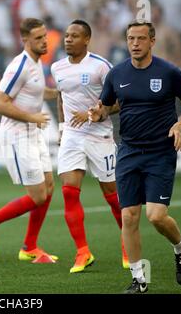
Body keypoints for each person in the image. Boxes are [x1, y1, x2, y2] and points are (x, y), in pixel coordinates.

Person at [88, 20, 181, 293]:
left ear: (152, 41)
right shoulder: (117, 74)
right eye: (130, 39)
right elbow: (108, 105)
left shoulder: (168, 72)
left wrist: (179, 125)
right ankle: (139, 280)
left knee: (156, 216)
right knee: (128, 217)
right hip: (128, 151)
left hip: (160, 153)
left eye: (140, 38)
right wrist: (98, 112)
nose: (135, 44)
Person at [0, 18, 58, 263]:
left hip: (33, 132)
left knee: (49, 187)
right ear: (25, 40)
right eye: (38, 38)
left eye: (45, 36)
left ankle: (29, 247)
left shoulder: (37, 63)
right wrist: (31, 116)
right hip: (17, 135)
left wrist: (61, 92)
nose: (44, 41)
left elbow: (34, 91)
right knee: (37, 195)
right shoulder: (19, 65)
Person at [51, 19, 129, 273]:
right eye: (66, 35)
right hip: (72, 137)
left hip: (99, 137)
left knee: (113, 196)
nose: (68, 39)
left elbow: (120, 100)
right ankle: (82, 252)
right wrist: (62, 129)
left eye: (74, 36)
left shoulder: (101, 67)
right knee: (69, 192)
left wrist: (100, 113)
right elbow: (61, 98)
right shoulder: (57, 67)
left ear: (87, 39)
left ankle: (128, 245)